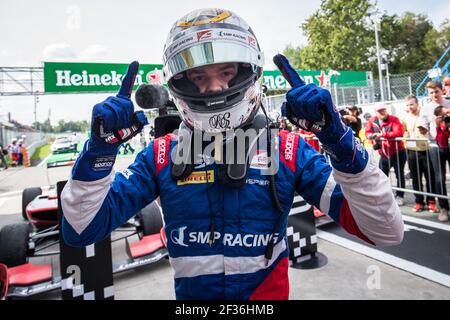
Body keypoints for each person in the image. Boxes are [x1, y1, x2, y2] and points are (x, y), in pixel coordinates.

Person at [60, 8, 403, 300]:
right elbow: (82, 231)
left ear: (247, 71)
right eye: (198, 75)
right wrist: (99, 153)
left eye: (226, 72)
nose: (214, 87)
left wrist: (341, 143)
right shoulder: (160, 154)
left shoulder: (287, 149)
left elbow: (384, 231)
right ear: (181, 82)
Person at [402, 96, 439, 212]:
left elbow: (433, 129)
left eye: (412, 104)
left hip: (427, 151)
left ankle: (431, 202)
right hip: (412, 152)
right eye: (407, 105)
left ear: (417, 104)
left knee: (430, 178)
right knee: (416, 179)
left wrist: (426, 131)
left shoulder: (425, 115)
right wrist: (405, 137)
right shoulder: (405, 117)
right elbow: (405, 131)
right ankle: (419, 202)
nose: (410, 107)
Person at [365, 105, 406, 206]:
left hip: (397, 152)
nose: (382, 112)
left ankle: (400, 196)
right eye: (380, 111)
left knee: (399, 175)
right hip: (383, 153)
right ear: (376, 112)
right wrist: (371, 136)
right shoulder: (372, 120)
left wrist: (381, 135)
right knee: (382, 176)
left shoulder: (394, 119)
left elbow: (398, 132)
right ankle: (383, 195)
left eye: (383, 110)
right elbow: (367, 132)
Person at [433, 105, 450, 221]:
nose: (446, 117)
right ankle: (444, 207)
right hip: (440, 150)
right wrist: (440, 126)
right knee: (439, 178)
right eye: (443, 115)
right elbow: (440, 140)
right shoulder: (437, 124)